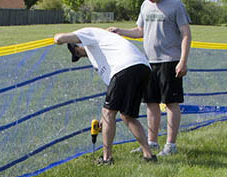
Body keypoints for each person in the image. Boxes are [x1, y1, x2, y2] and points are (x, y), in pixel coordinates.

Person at [109, 0, 191, 155]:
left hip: (170, 61)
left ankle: (171, 145)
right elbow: (140, 31)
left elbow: (186, 34)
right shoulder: (146, 6)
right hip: (149, 62)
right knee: (151, 103)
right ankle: (151, 142)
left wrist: (183, 61)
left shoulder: (175, 6)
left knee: (171, 103)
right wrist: (119, 31)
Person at [53, 28, 157, 165]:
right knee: (127, 116)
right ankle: (148, 155)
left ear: (79, 43)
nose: (80, 54)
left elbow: (59, 39)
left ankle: (107, 159)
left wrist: (56, 37)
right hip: (142, 68)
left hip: (125, 68)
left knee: (109, 113)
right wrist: (105, 116)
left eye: (77, 51)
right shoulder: (102, 51)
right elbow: (113, 87)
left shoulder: (89, 33)